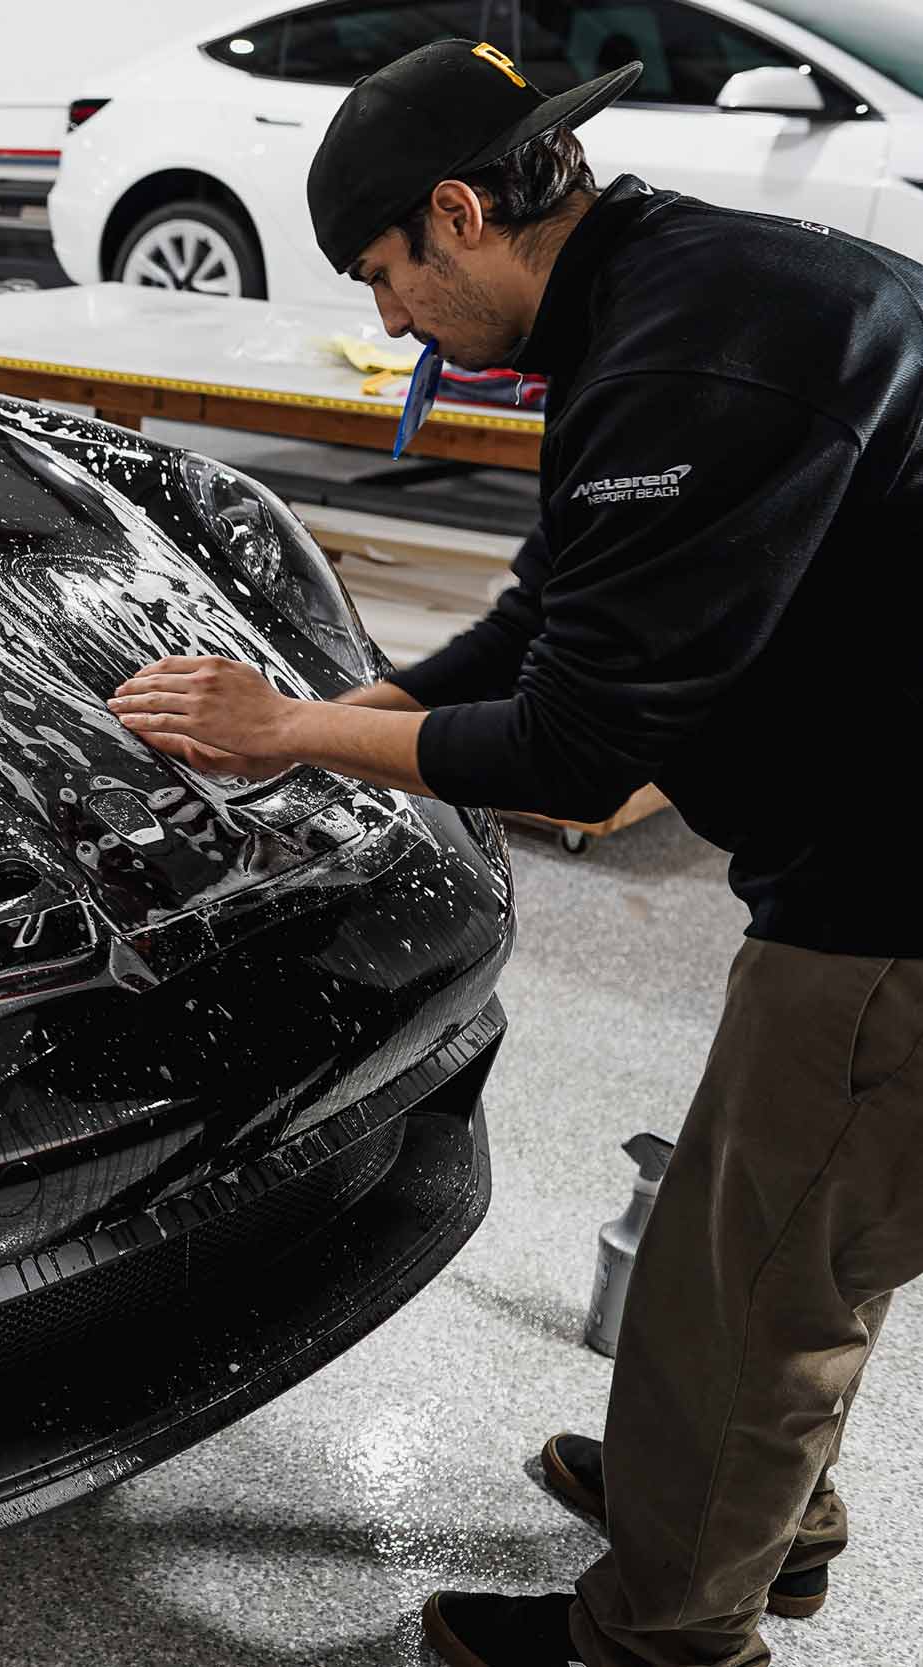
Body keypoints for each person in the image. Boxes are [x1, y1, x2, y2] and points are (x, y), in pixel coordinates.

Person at [103, 37, 923, 1667]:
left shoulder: (694, 365)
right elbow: (562, 607)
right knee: (771, 1219)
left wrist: (287, 732)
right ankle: (761, 1515)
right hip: (868, 818)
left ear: (462, 212)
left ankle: (669, 1636)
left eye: (385, 274)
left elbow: (577, 747)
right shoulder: (678, 288)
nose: (390, 322)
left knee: (762, 1264)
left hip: (900, 888)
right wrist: (369, 708)